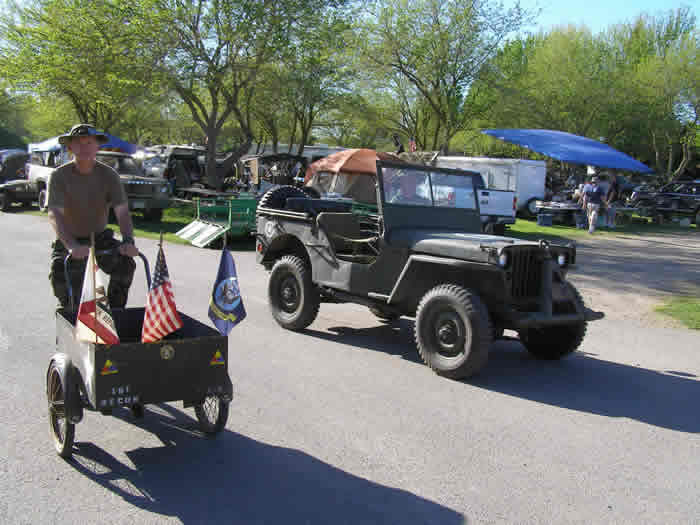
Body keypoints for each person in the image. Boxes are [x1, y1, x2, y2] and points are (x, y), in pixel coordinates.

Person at [47, 123, 138, 309]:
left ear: (97, 146)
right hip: (70, 239)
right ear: (70, 147)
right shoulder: (59, 176)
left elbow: (122, 212)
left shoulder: (109, 175)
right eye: (78, 143)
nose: (84, 147)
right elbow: (54, 213)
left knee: (125, 264)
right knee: (62, 277)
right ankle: (71, 313)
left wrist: (128, 241)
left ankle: (115, 313)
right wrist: (71, 245)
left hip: (99, 238)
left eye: (89, 142)